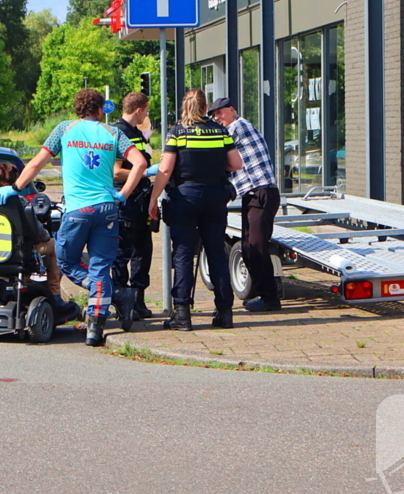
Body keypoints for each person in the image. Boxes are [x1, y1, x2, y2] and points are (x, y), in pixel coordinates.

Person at [0, 88, 148, 346]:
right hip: (108, 208)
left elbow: (35, 164)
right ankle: (96, 327)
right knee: (101, 265)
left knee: (66, 260)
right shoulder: (113, 133)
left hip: (78, 210)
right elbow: (141, 163)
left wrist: (15, 188)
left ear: (77, 109)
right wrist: (123, 195)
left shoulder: (64, 129)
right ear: (100, 110)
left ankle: (111, 293)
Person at [148, 89, 242, 330]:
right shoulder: (220, 131)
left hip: (185, 198)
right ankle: (224, 312)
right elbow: (235, 163)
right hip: (215, 198)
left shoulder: (177, 132)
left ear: (184, 106)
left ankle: (182, 314)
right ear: (204, 107)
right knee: (216, 253)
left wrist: (154, 198)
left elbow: (166, 169)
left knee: (182, 254)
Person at [208, 97, 282, 312]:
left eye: (220, 113)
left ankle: (270, 298)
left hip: (262, 192)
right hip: (252, 194)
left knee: (257, 246)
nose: (217, 118)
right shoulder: (233, 127)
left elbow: (216, 149)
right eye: (213, 116)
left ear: (232, 110)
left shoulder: (239, 126)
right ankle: (263, 294)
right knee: (249, 246)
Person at [0, 161, 80, 323]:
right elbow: (39, 234)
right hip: (18, 250)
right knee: (56, 246)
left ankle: (26, 282)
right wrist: (49, 234)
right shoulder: (19, 202)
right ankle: (55, 295)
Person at [112, 91, 157, 320]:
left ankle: (138, 300)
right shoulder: (118, 133)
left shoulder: (136, 133)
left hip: (140, 201)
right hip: (126, 202)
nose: (147, 114)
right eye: (146, 110)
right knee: (122, 254)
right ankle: (122, 301)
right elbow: (116, 172)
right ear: (138, 110)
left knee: (143, 252)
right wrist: (143, 173)